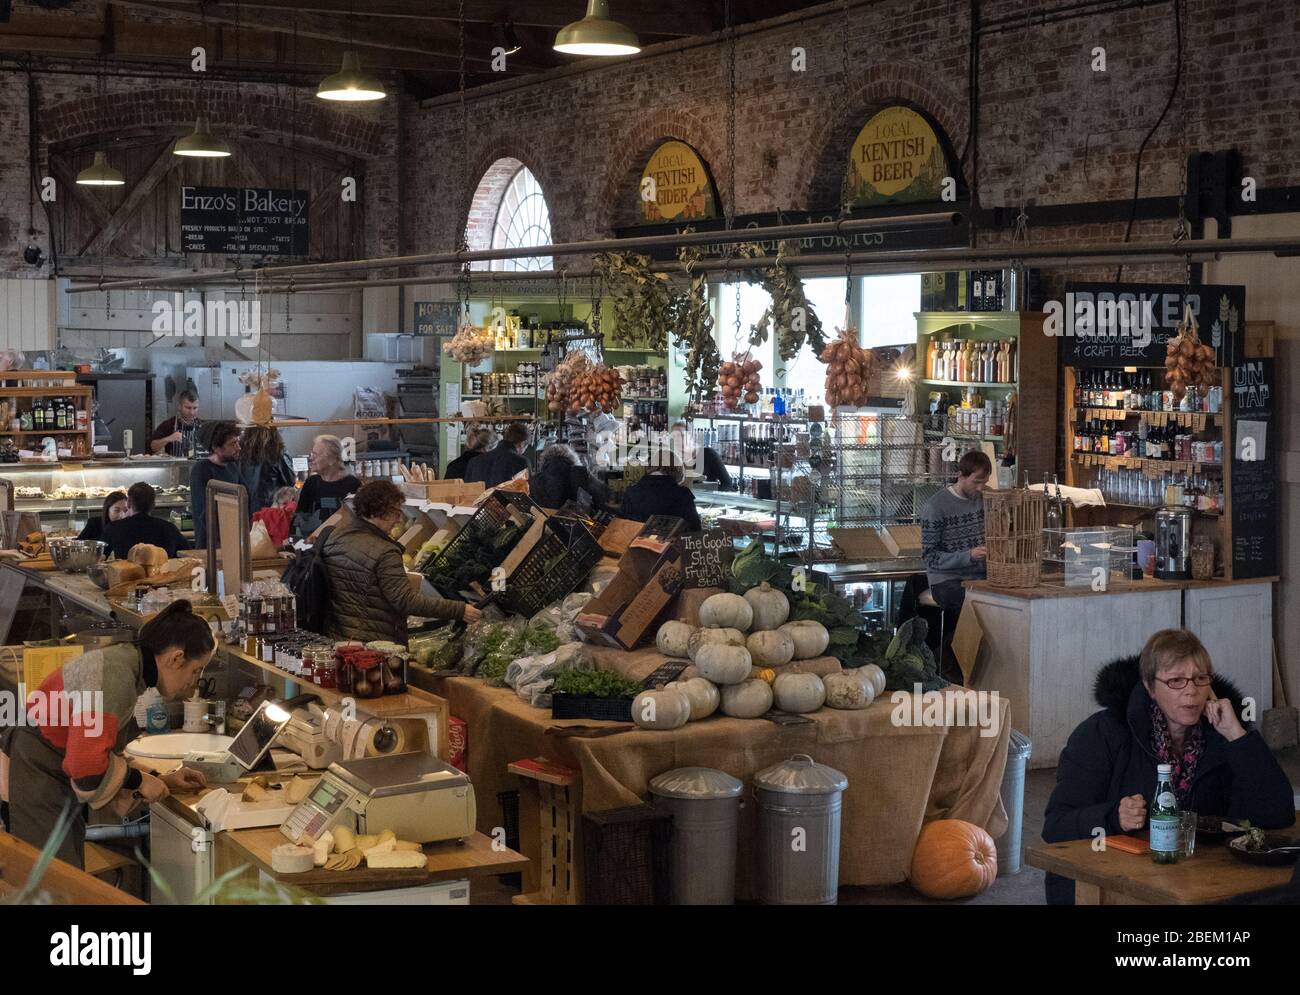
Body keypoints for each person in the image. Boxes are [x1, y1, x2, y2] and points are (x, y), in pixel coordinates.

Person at [1042, 629, 1296, 905]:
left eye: (1200, 679)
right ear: (1150, 687)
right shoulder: (1103, 733)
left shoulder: (1222, 735)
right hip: (1108, 880)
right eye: (1176, 681)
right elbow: (1056, 826)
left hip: (1193, 879)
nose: (1191, 691)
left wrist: (1237, 736)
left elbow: (1276, 813)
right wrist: (1114, 816)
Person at [0, 601, 214, 869]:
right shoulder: (115, 676)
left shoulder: (126, 663)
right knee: (54, 888)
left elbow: (102, 751)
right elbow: (86, 769)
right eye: (195, 671)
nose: (193, 682)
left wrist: (161, 778)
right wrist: (137, 781)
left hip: (43, 767)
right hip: (35, 773)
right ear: (176, 658)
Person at [319, 480, 480, 643]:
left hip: (339, 639)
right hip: (374, 645)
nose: (398, 519)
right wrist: (459, 610)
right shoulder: (384, 551)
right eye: (396, 512)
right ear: (380, 510)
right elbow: (405, 601)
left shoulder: (335, 536)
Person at [919, 449, 990, 623]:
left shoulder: (986, 498)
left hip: (980, 577)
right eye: (977, 482)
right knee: (976, 606)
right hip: (946, 580)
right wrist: (969, 556)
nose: (981, 488)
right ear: (961, 475)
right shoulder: (936, 506)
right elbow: (930, 557)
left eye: (985, 482)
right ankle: (959, 648)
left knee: (1005, 602)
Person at [101, 482, 190, 559]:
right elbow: (189, 554)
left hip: (128, 577)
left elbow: (100, 557)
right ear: (153, 505)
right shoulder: (170, 528)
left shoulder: (113, 528)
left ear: (128, 503)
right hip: (163, 577)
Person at [294, 435, 360, 535]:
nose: (311, 458)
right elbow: (301, 516)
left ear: (332, 459)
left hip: (343, 540)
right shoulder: (311, 483)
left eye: (315, 454)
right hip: (313, 542)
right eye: (311, 453)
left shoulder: (352, 484)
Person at [620, 450, 702, 531]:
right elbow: (695, 529)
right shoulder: (682, 494)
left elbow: (623, 527)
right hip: (671, 543)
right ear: (677, 469)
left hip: (635, 543)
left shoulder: (631, 492)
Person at [190, 421, 242, 548]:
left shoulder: (233, 467)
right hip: (210, 544)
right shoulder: (201, 469)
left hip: (233, 538)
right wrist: (219, 540)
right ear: (216, 448)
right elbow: (204, 511)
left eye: (237, 442)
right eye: (232, 444)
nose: (239, 447)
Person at [530, 443, 611, 511]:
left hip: (543, 525)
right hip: (578, 525)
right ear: (573, 458)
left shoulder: (535, 479)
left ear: (544, 461)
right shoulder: (579, 473)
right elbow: (605, 494)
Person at [239, 424, 294, 514]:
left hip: (245, 506)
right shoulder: (277, 451)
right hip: (270, 507)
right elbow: (290, 480)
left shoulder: (241, 451)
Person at [465, 422, 530, 487]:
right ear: (522, 444)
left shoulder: (474, 462)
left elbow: (467, 493)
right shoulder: (521, 462)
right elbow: (527, 493)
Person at [670, 421, 731, 490]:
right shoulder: (674, 460)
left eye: (681, 435)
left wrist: (711, 493)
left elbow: (727, 484)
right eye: (674, 436)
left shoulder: (708, 454)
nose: (677, 439)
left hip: (707, 499)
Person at [149, 389, 201, 457]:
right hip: (173, 466)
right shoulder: (168, 425)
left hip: (196, 466)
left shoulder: (202, 427)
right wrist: (169, 438)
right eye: (188, 408)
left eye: (195, 408)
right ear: (179, 406)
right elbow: (153, 447)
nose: (192, 412)